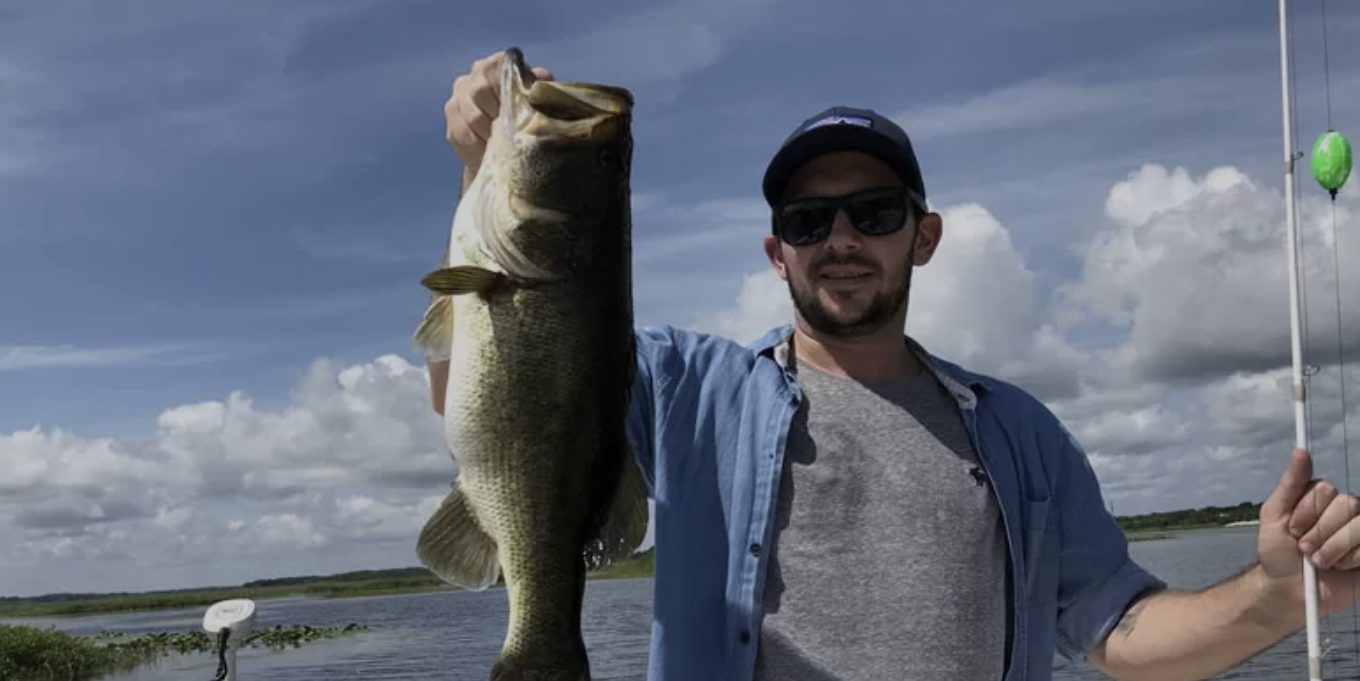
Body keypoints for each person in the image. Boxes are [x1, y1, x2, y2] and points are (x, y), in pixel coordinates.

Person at [428, 50, 1360, 681]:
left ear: (925, 237)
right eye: (806, 220)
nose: (839, 238)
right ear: (774, 251)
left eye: (873, 212)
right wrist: (480, 168)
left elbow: (1119, 631)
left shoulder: (1023, 435)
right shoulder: (685, 391)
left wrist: (1280, 595)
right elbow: (491, 396)